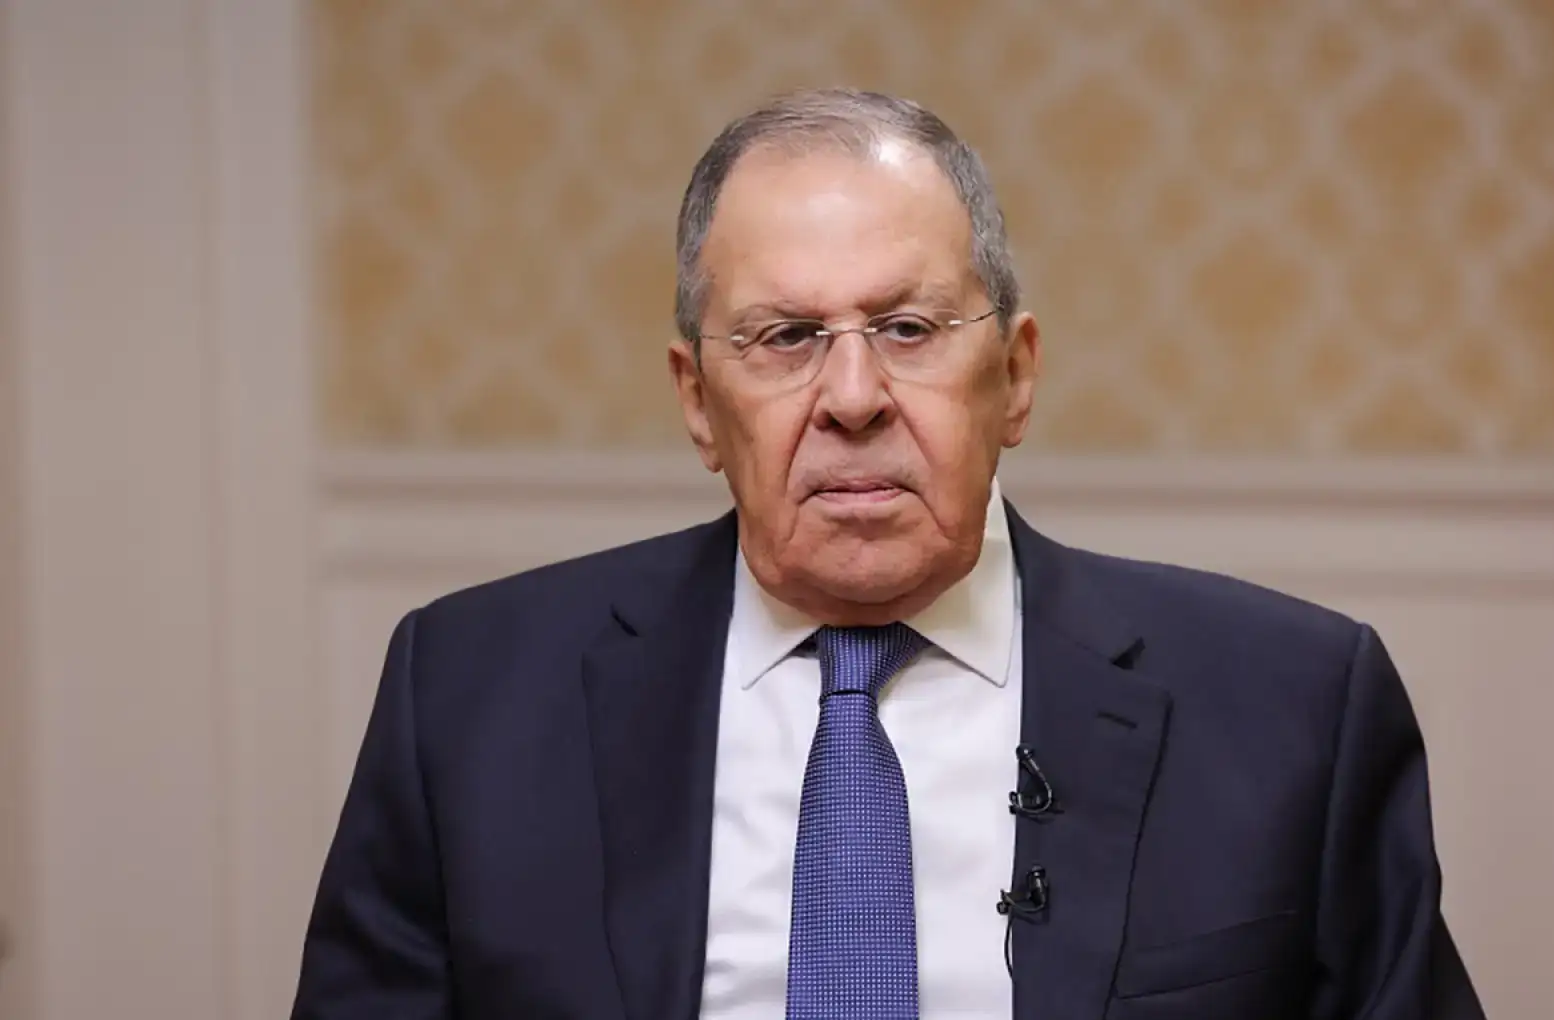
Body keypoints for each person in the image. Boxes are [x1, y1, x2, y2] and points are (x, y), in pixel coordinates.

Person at [290, 88, 1485, 1019]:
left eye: (909, 328)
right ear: (697, 401)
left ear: (1015, 374)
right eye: (785, 337)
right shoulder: (470, 701)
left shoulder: (1293, 709)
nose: (853, 397)